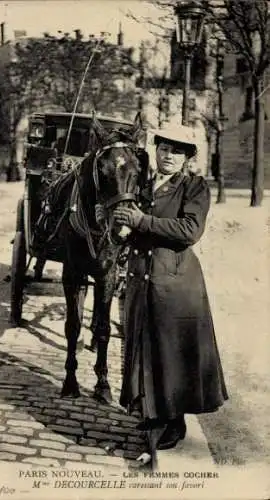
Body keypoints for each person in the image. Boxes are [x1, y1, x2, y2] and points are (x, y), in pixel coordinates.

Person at [111, 125, 228, 456]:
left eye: (177, 151)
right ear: (156, 149)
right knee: (146, 346)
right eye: (164, 148)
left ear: (188, 158)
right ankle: (152, 412)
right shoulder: (144, 184)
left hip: (174, 282)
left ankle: (175, 423)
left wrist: (140, 222)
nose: (168, 156)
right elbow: (133, 226)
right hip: (142, 278)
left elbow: (189, 230)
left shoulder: (194, 187)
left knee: (173, 351)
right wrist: (122, 231)